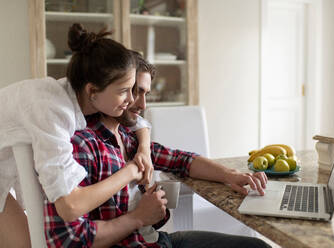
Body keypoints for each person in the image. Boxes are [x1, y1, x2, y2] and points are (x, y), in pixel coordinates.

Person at [43, 54, 270, 247]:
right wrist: (138, 217)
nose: (140, 104)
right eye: (132, 91)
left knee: (257, 245)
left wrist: (230, 175)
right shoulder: (82, 145)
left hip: (156, 241)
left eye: (145, 94)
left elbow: (182, 160)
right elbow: (70, 240)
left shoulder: (128, 138)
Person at [0, 24, 154, 247]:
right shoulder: (53, 110)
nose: (132, 100)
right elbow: (69, 206)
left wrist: (144, 148)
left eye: (132, 90)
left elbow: (138, 121)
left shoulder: (83, 98)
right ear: (92, 90)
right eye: (123, 91)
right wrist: (130, 171)